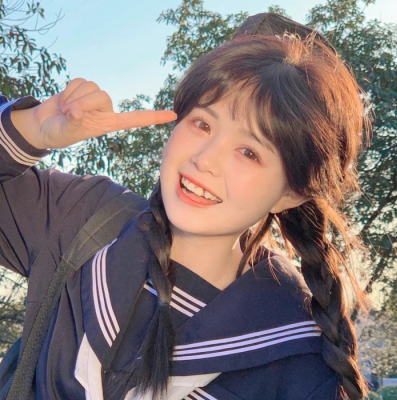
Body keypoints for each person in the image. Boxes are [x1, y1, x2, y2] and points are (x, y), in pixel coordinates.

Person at [0, 13, 371, 400]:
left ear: (291, 194)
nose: (205, 159)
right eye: (202, 124)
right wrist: (30, 128)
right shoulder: (82, 216)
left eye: (249, 151)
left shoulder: (299, 367)